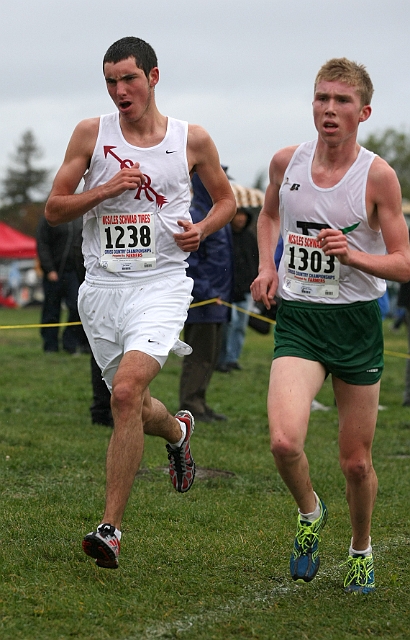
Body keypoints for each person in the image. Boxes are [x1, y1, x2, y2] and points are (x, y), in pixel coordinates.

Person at [44, 36, 236, 569]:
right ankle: (177, 430)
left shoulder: (190, 139)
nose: (119, 91)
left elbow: (225, 201)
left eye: (128, 78)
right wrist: (103, 191)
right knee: (127, 403)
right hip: (101, 288)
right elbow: (55, 209)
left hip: (162, 284)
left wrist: (200, 228)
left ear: (153, 77)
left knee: (126, 392)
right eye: (110, 81)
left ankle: (110, 530)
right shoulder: (91, 134)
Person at [250, 57, 410, 593]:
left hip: (356, 324)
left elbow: (404, 262)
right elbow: (268, 215)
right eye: (322, 98)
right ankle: (310, 512)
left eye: (342, 101)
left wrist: (355, 256)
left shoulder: (378, 176)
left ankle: (361, 548)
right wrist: (268, 266)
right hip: (299, 318)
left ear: (363, 112)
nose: (330, 110)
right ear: (312, 104)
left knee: (356, 463)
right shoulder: (285, 163)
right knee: (282, 441)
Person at [179, 172, 233, 422]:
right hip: (203, 301)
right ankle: (191, 405)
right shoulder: (196, 215)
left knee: (210, 355)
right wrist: (210, 294)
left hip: (218, 300)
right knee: (198, 356)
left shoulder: (215, 214)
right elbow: (190, 263)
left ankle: (200, 401)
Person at [217, 207, 259, 372]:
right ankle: (222, 359)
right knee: (228, 325)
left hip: (245, 290)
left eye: (243, 216)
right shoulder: (223, 236)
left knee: (240, 325)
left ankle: (233, 358)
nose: (240, 219)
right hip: (227, 290)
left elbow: (255, 262)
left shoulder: (249, 237)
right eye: (237, 215)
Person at [36, 215, 84, 354]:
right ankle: (50, 345)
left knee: (76, 308)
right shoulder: (49, 218)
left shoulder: (79, 218)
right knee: (51, 310)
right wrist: (49, 269)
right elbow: (42, 244)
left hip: (73, 273)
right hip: (53, 273)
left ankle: (70, 343)